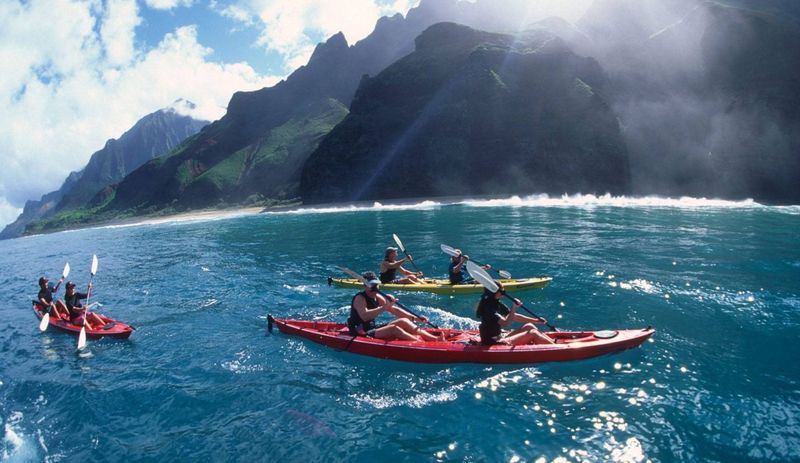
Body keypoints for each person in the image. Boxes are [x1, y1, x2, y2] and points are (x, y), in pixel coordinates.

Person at [347, 272, 442, 341]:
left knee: (404, 321)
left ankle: (435, 339)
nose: (375, 287)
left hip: (372, 328)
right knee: (394, 329)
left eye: (377, 285)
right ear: (365, 285)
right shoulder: (360, 298)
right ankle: (420, 343)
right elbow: (364, 316)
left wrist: (416, 318)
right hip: (360, 331)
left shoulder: (378, 297)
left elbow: (394, 310)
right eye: (372, 285)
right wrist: (384, 307)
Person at [475, 282, 554, 346]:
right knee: (533, 333)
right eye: (502, 291)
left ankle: (553, 343)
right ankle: (556, 348)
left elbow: (513, 316)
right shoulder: (489, 308)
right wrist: (514, 307)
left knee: (529, 326)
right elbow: (506, 323)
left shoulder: (495, 302)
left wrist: (536, 320)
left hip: (500, 337)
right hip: (493, 342)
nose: (503, 293)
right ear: (494, 292)